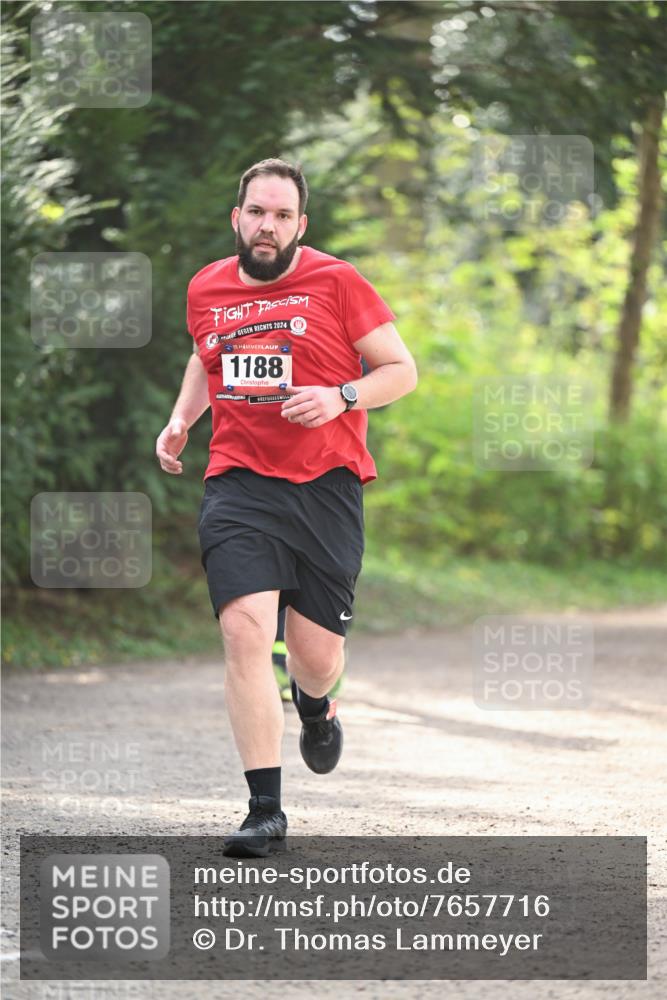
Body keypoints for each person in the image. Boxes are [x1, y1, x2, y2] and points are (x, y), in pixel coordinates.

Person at [155, 158, 417, 857]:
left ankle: (316, 702)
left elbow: (400, 370)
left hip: (325, 485)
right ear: (236, 218)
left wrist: (341, 396)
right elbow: (203, 356)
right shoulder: (207, 286)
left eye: (280, 215)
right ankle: (263, 808)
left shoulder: (337, 281)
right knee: (244, 630)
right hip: (239, 484)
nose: (265, 225)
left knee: (314, 655)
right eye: (255, 212)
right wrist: (183, 419)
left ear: (300, 225)